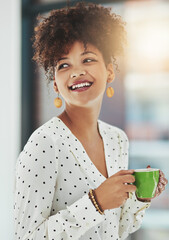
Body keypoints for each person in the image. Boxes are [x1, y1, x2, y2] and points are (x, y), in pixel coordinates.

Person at [14, 2, 168, 240]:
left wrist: (141, 198)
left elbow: (116, 228)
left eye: (87, 60)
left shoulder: (117, 139)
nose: (76, 72)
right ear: (55, 83)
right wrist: (95, 202)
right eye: (64, 65)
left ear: (109, 72)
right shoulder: (44, 144)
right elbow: (26, 236)